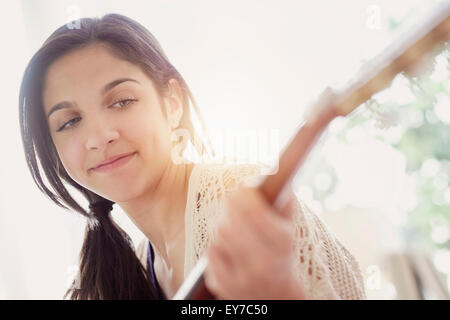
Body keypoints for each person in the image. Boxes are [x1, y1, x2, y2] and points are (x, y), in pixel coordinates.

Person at [19, 13, 366, 300]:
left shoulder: (240, 203)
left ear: (172, 103)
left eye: (122, 101)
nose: (97, 137)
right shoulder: (129, 267)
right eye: (69, 122)